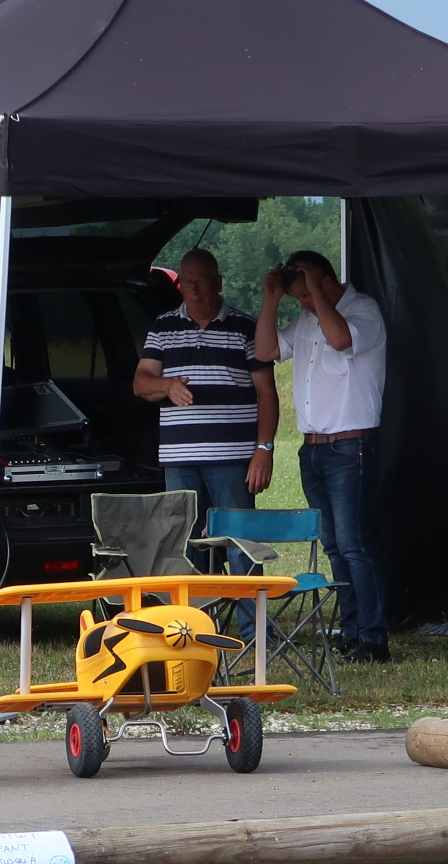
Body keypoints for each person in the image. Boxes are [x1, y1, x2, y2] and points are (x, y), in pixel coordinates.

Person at [254, 249, 389, 662]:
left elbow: (341, 339)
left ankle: (372, 637)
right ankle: (349, 629)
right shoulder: (308, 319)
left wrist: (317, 291)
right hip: (313, 450)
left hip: (350, 447)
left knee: (353, 545)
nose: (306, 306)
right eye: (300, 300)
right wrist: (272, 298)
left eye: (307, 296)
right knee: (332, 545)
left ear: (324, 281)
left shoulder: (361, 310)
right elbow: (264, 352)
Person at [134, 248, 275, 598]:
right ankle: (194, 630)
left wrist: (264, 449)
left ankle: (252, 629)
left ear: (218, 282)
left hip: (232, 460)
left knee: (241, 542)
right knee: (183, 544)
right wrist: (167, 385)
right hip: (180, 461)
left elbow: (268, 394)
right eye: (187, 282)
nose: (193, 289)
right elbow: (141, 383)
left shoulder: (245, 327)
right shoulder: (163, 326)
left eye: (200, 281)